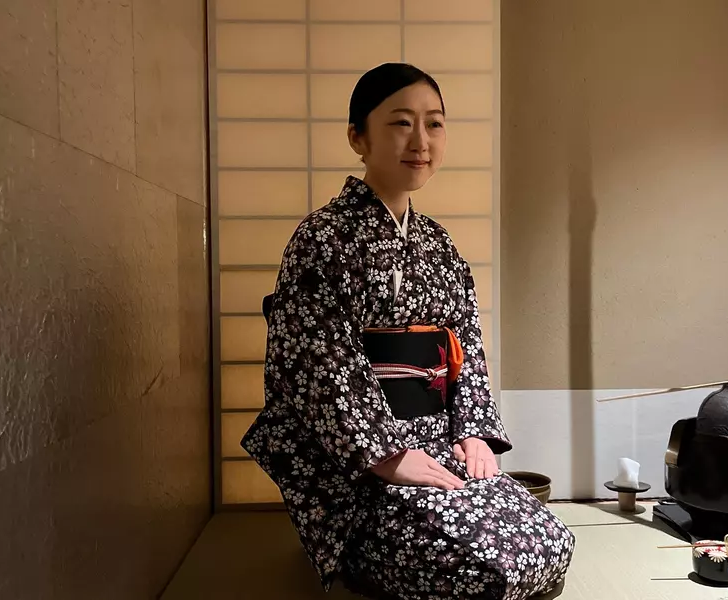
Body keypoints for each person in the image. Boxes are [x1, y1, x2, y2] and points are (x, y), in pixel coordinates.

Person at [241, 62, 575, 599]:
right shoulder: (322, 239)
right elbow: (320, 364)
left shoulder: (439, 244)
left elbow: (467, 348)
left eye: (435, 124)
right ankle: (355, 553)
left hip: (439, 446)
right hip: (357, 466)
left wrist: (471, 431)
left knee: (550, 543)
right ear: (358, 137)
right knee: (477, 569)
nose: (421, 140)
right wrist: (386, 456)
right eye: (400, 123)